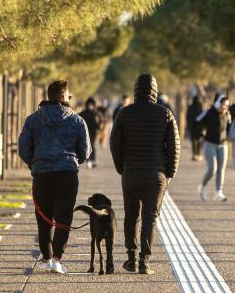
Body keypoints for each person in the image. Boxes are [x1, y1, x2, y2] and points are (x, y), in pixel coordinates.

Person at [18, 80, 91, 274]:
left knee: (44, 218)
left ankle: (46, 256)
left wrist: (34, 164)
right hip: (67, 174)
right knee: (63, 217)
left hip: (42, 175)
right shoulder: (77, 120)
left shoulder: (33, 120)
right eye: (69, 96)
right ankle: (57, 258)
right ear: (63, 97)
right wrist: (75, 161)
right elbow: (85, 151)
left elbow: (23, 148)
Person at [110, 74, 180, 275]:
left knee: (131, 215)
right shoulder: (165, 114)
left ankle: (131, 258)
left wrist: (120, 167)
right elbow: (174, 146)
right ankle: (144, 261)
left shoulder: (124, 113)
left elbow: (115, 143)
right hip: (156, 174)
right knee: (150, 217)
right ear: (155, 91)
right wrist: (170, 173)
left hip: (131, 173)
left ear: (135, 90)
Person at [195, 95, 231, 202]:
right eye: (223, 105)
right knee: (212, 169)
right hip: (210, 144)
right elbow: (196, 122)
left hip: (223, 145)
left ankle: (218, 193)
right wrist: (200, 134)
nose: (224, 107)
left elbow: (229, 127)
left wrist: (227, 138)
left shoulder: (227, 114)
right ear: (217, 104)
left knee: (221, 169)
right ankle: (202, 186)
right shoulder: (208, 113)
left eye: (226, 106)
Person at [78, 97, 101, 169]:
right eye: (89, 104)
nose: (90, 106)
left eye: (92, 104)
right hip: (85, 132)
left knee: (92, 146)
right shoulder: (83, 113)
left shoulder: (96, 113)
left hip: (93, 132)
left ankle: (93, 160)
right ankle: (88, 161)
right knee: (86, 146)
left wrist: (99, 128)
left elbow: (100, 122)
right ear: (87, 105)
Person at [186, 94, 205, 161]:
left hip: (192, 127)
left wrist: (188, 125)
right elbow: (203, 117)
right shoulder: (200, 107)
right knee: (199, 140)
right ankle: (198, 154)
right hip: (199, 127)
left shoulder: (190, 107)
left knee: (193, 141)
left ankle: (194, 155)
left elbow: (187, 117)